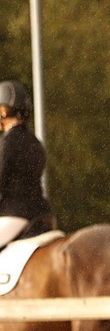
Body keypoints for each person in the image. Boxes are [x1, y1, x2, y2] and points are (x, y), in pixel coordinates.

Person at [0, 80, 56, 248]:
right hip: (43, 213)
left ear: (3, 111)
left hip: (15, 214)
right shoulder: (35, 142)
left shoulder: (7, 143)